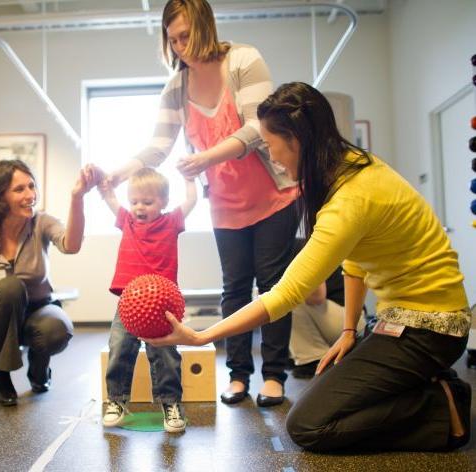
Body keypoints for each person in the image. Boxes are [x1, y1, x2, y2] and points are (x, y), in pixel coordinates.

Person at [146, 82, 471, 452]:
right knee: (333, 392)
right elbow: (355, 263)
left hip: (431, 328)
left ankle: (440, 409)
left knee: (309, 427)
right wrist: (349, 330)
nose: (271, 155)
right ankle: (423, 389)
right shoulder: (351, 168)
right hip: (397, 320)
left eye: (270, 144)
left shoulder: (350, 197)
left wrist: (202, 337)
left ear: (296, 140)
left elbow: (286, 293)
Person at [107, 0, 299, 407]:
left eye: (185, 36)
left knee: (273, 285)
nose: (179, 46)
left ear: (205, 27)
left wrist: (207, 156)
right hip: (226, 204)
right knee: (234, 291)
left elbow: (258, 127)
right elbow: (159, 146)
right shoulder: (177, 87)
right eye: (172, 39)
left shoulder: (244, 60)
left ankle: (274, 375)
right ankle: (238, 375)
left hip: (273, 196)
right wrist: (119, 173)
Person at [0, 159, 97, 406]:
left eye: (32, 186)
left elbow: (72, 245)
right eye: (20, 189)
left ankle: (38, 371)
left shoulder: (42, 223)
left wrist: (77, 197)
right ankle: (2, 376)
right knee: (9, 286)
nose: (31, 195)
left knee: (57, 329)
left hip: (39, 310)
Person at [99, 167, 197, 433]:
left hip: (162, 306)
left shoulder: (171, 222)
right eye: (134, 202)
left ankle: (170, 403)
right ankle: (116, 400)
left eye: (148, 202)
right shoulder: (127, 221)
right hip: (129, 303)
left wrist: (189, 180)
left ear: (163, 202)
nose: (139, 207)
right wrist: (106, 187)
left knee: (165, 352)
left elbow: (191, 202)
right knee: (119, 346)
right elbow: (110, 199)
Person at [289, 239, 365, 379]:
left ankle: (314, 359)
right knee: (278, 300)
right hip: (331, 320)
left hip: (351, 321)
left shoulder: (301, 247)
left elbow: (318, 297)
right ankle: (308, 355)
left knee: (290, 300)